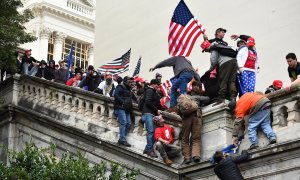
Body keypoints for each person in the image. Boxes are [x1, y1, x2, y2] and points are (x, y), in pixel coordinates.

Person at [208, 28, 238, 104]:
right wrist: (205, 39)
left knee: (223, 81)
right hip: (234, 61)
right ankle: (233, 97)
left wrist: (211, 68)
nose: (224, 34)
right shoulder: (217, 42)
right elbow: (206, 44)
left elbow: (214, 58)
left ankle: (221, 98)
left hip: (225, 63)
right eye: (222, 32)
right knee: (232, 81)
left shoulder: (216, 44)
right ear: (217, 33)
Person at [141, 79, 164, 158]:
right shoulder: (150, 91)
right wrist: (156, 110)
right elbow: (148, 101)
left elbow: (158, 105)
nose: (159, 86)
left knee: (154, 133)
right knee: (151, 132)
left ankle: (147, 148)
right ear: (153, 84)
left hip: (152, 114)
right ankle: (150, 151)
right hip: (148, 113)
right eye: (158, 84)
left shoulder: (155, 93)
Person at [177, 95, 202, 164]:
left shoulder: (180, 102)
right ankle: (196, 155)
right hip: (196, 117)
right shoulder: (193, 100)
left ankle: (187, 158)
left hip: (186, 119)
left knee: (184, 139)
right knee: (196, 138)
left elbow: (179, 113)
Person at [114, 76, 135, 147]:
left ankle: (121, 139)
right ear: (126, 80)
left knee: (128, 123)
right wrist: (122, 102)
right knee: (123, 122)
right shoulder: (120, 86)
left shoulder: (129, 89)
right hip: (120, 108)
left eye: (132, 81)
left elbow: (132, 98)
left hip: (127, 108)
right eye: (130, 81)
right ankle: (122, 140)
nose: (131, 82)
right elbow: (116, 94)